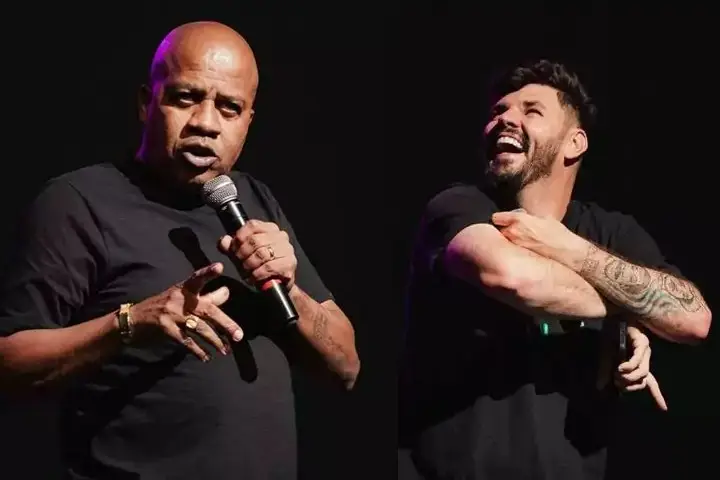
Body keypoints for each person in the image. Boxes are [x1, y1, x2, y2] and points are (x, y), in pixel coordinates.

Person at [0, 21, 360, 480]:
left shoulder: (251, 201)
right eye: (186, 97)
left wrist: (290, 289)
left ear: (248, 121)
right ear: (146, 102)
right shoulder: (79, 202)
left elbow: (346, 366)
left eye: (229, 108)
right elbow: (8, 364)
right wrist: (129, 323)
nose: (206, 123)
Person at [398, 60, 711, 479]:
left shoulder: (608, 231)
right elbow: (512, 277)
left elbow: (693, 319)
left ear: (574, 143)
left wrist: (569, 248)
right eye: (499, 110)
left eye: (531, 110)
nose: (505, 118)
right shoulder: (460, 207)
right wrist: (628, 308)